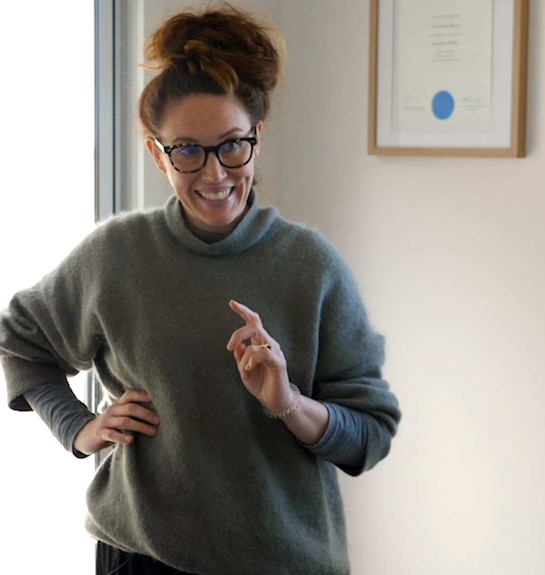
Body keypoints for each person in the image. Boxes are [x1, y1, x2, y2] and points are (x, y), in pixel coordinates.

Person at [0, 3, 400, 574]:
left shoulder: (312, 268)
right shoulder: (117, 255)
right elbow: (21, 340)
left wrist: (288, 404)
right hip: (141, 558)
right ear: (155, 153)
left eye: (231, 145)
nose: (214, 174)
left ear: (256, 138)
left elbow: (368, 435)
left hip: (282, 563)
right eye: (186, 150)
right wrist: (79, 429)